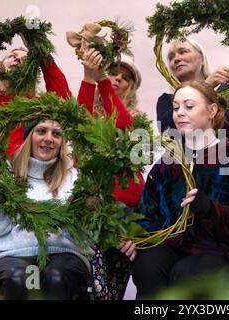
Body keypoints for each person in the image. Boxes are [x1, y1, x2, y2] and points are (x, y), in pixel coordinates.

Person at [132, 81, 229, 299]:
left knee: (189, 273)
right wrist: (136, 237)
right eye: (176, 108)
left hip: (216, 253)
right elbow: (146, 214)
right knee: (148, 264)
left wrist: (210, 209)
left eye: (189, 106)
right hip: (170, 247)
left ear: (212, 110)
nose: (179, 113)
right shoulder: (167, 162)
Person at [0, 29, 71, 280]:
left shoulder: (38, 108)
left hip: (16, 187)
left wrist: (41, 54)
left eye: (25, 57)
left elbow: (65, 101)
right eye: (12, 55)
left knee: (6, 270)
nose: (19, 59)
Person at [0, 120, 90, 300]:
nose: (49, 138)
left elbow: (84, 235)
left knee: (56, 278)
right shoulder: (6, 172)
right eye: (41, 131)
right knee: (21, 278)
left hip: (62, 253)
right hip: (10, 254)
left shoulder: (75, 178)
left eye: (57, 134)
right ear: (29, 136)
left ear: (62, 142)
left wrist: (90, 203)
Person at [77, 48, 145, 299]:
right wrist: (88, 75)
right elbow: (77, 123)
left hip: (126, 207)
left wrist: (102, 80)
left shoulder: (137, 119)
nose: (117, 79)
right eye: (112, 73)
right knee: (91, 282)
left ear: (131, 87)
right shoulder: (91, 113)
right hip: (90, 205)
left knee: (116, 281)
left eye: (124, 77)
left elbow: (123, 126)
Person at [156, 38, 229, 149]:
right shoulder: (167, 101)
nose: (176, 59)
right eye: (171, 57)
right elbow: (167, 135)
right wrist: (205, 87)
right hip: (192, 165)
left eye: (183, 52)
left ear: (202, 58)